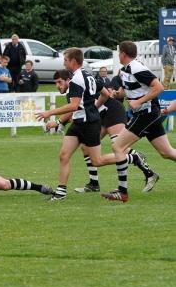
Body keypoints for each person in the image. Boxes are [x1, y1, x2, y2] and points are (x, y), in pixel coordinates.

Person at [43, 69, 157, 194]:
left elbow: (73, 108)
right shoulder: (81, 80)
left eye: (59, 82)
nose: (57, 86)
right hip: (97, 116)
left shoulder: (75, 85)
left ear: (68, 79)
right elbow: (80, 108)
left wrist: (58, 122)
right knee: (86, 148)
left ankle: (137, 162)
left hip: (112, 111)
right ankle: (94, 184)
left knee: (119, 146)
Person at [35, 49, 120, 201]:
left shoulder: (76, 80)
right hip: (79, 123)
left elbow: (73, 106)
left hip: (89, 124)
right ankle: (61, 192)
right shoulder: (88, 74)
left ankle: (130, 157)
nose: (64, 63)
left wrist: (50, 113)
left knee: (97, 161)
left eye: (65, 60)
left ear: (73, 61)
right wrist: (93, 107)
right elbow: (105, 94)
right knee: (64, 155)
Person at [99, 41, 176, 201]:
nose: (118, 54)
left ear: (123, 54)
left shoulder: (137, 68)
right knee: (166, 153)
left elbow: (159, 87)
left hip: (146, 114)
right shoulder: (125, 70)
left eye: (119, 52)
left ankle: (122, 191)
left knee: (117, 146)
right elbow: (128, 91)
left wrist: (139, 101)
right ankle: (123, 190)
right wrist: (117, 94)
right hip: (148, 114)